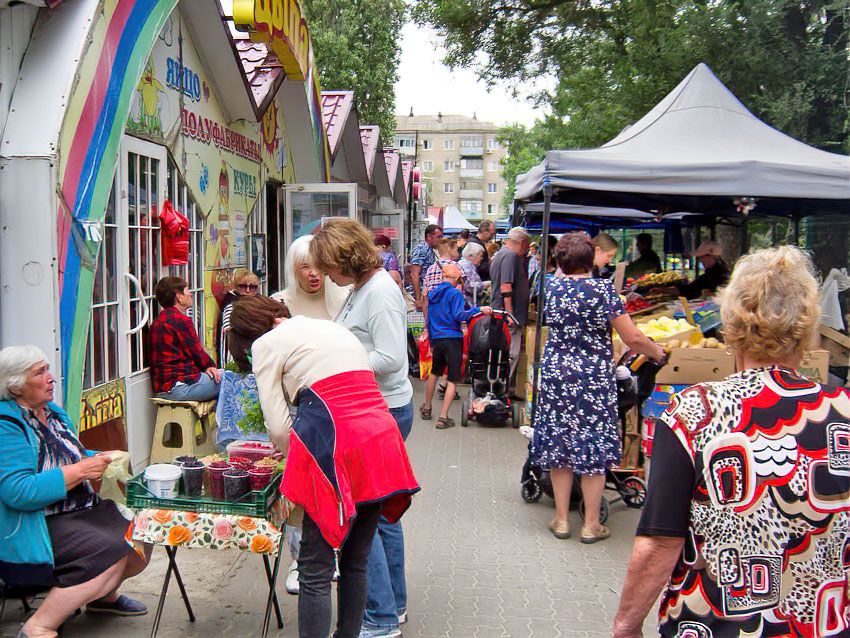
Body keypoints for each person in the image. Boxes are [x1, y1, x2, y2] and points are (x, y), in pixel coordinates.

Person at [612, 246, 847, 638]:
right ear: (808, 326)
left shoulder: (693, 413)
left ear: (732, 321)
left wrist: (626, 626)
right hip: (821, 626)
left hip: (716, 625)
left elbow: (660, 542)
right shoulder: (843, 410)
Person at [228, 296, 419, 638]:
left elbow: (277, 426)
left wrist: (290, 458)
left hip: (337, 445)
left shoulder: (265, 345)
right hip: (380, 441)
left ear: (246, 336)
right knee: (355, 562)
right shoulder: (329, 328)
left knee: (314, 570)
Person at [0, 346, 151, 638]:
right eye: (39, 372)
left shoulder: (52, 412)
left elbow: (72, 454)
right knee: (110, 548)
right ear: (15, 386)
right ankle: (38, 627)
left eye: (47, 369)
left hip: (79, 509)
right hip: (38, 522)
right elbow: (18, 491)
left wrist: (100, 456)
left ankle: (102, 599)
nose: (50, 378)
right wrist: (81, 471)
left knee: (145, 528)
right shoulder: (7, 425)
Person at [310, 218, 414, 638]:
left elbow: (390, 357)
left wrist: (337, 363)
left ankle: (379, 618)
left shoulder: (380, 293)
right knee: (383, 516)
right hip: (379, 411)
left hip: (379, 412)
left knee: (361, 517)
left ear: (343, 258)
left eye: (328, 266)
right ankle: (395, 606)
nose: (327, 276)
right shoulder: (364, 289)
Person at [532, 233, 664, 544]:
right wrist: (657, 352)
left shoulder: (551, 288)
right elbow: (632, 338)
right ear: (589, 258)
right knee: (592, 445)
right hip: (592, 377)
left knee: (560, 445)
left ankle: (561, 520)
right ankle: (591, 524)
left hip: (557, 375)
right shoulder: (604, 291)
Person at [420, 263, 492, 429]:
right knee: (452, 379)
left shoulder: (432, 294)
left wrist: (431, 338)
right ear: (456, 278)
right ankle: (443, 417)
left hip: (437, 338)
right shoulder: (455, 294)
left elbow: (429, 319)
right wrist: (478, 310)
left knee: (435, 372)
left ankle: (427, 407)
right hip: (452, 338)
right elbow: (459, 316)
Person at [149, 276, 221, 401]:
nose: (191, 293)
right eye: (187, 290)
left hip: (162, 388)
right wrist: (209, 366)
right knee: (229, 379)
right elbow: (197, 353)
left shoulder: (156, 323)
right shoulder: (181, 321)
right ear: (179, 297)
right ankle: (225, 420)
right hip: (181, 387)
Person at [489, 226, 531, 390]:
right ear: (521, 243)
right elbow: (506, 286)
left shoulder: (500, 255)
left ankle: (501, 386)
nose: (527, 250)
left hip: (501, 313)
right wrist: (510, 314)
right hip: (507, 316)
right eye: (527, 245)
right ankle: (503, 388)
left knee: (504, 352)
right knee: (511, 354)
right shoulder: (511, 256)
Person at [271, 235, 349, 320]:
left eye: (319, 266)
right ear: (293, 270)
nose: (314, 273)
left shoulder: (344, 298)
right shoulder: (279, 303)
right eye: (305, 267)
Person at [217, 269, 260, 366]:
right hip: (235, 361)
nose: (248, 290)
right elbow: (228, 336)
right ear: (236, 287)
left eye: (252, 287)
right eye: (243, 286)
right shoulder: (231, 307)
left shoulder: (258, 304)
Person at [409, 224, 443, 309]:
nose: (440, 240)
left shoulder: (431, 250)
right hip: (422, 294)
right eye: (438, 237)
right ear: (429, 236)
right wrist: (418, 299)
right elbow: (414, 274)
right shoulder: (421, 249)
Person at [457, 242, 490, 306]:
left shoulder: (467, 265)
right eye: (480, 256)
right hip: (468, 305)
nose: (482, 258)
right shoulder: (466, 266)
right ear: (471, 256)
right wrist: (486, 284)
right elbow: (470, 287)